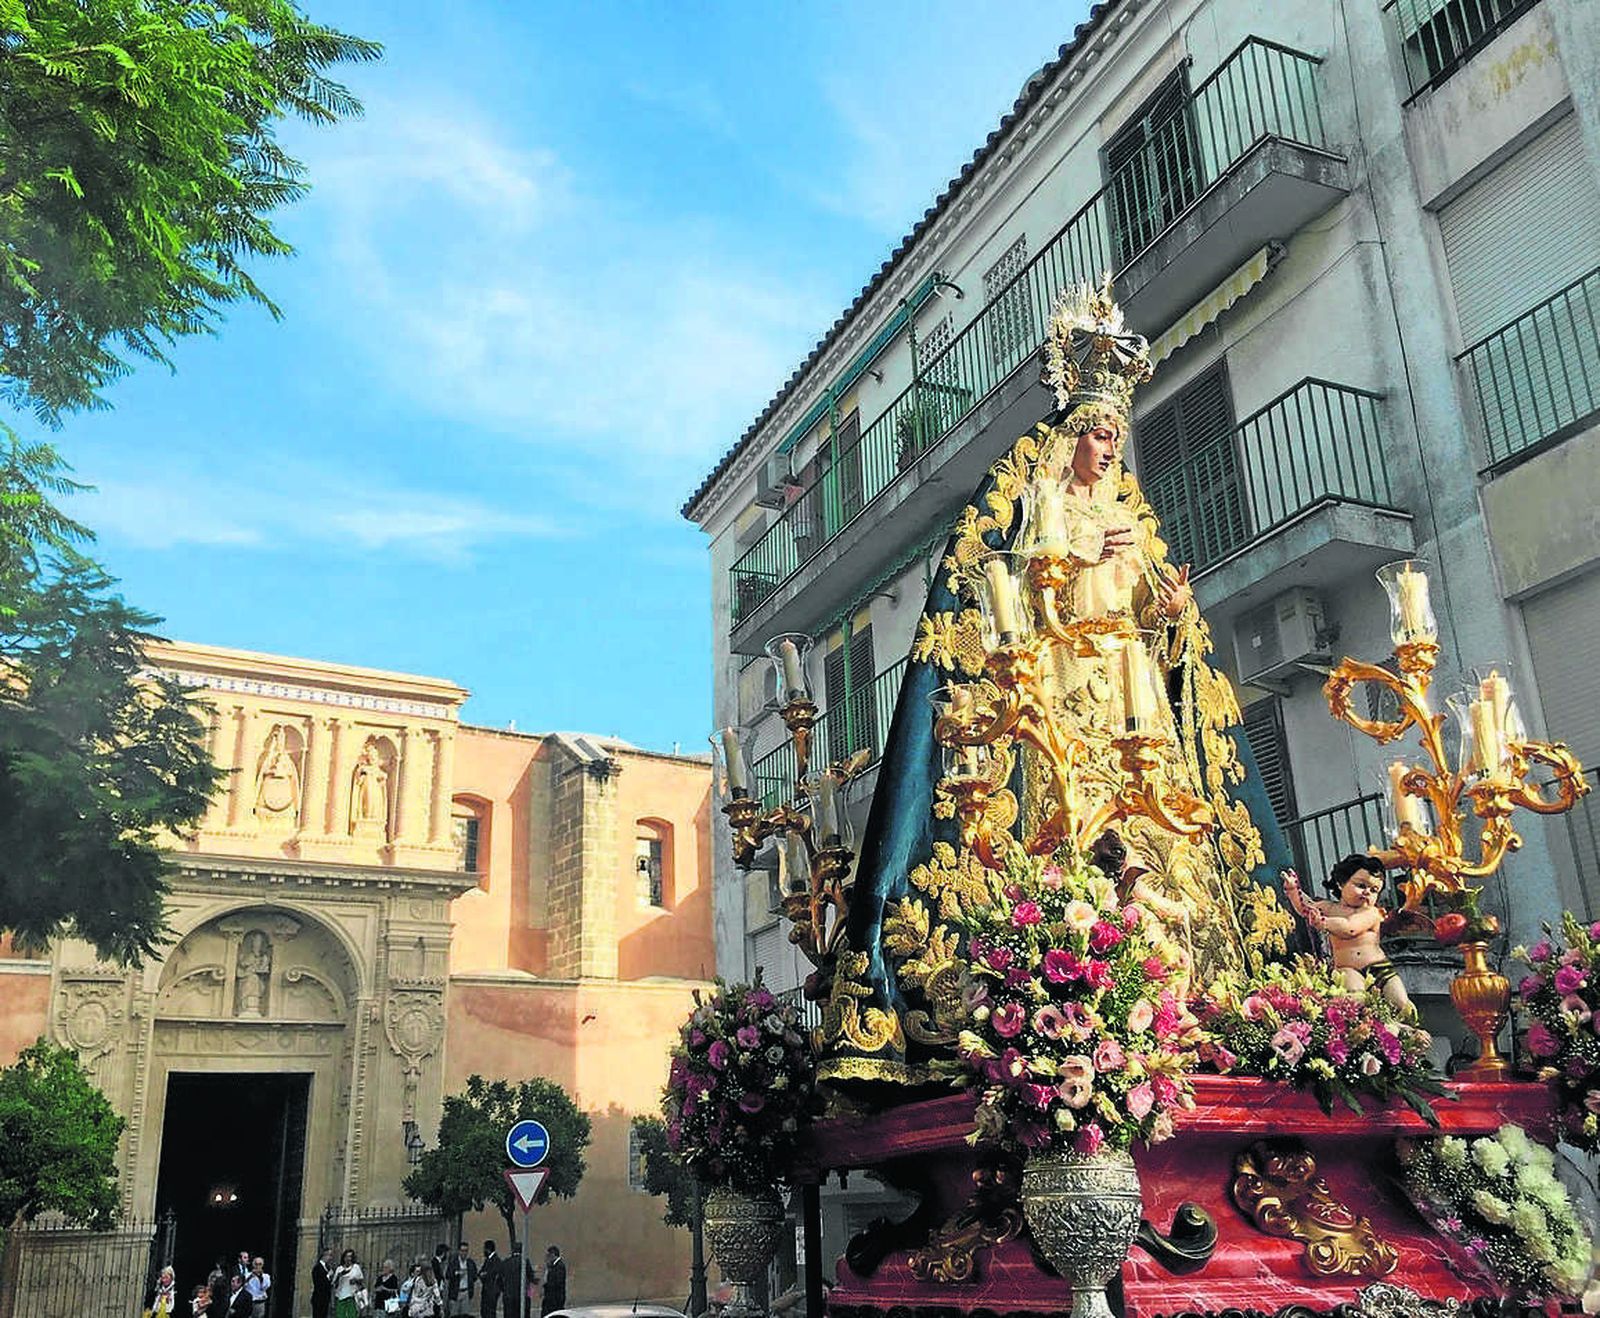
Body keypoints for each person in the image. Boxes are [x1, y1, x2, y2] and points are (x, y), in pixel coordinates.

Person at [1285, 855, 1416, 1018]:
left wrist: (1323, 922)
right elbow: (1306, 908)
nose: (1367, 892)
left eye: (1374, 890)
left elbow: (1350, 928)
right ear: (1341, 883)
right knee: (1355, 1000)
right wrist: (1293, 890)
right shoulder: (1329, 908)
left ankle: (1404, 1029)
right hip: (1347, 968)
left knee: (1401, 1004)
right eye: (1361, 885)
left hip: (1379, 967)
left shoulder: (1372, 912)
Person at [445, 1242, 478, 1317]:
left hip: (466, 1292)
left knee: (465, 1315)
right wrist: (456, 1274)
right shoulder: (453, 1262)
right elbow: (447, 1275)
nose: (464, 1253)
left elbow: (475, 1276)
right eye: (462, 1251)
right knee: (454, 1315)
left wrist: (471, 1276)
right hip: (455, 1292)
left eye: (466, 1251)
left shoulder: (470, 1263)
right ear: (459, 1251)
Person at [332, 1249, 366, 1318]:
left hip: (352, 1295)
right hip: (341, 1296)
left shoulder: (356, 1267)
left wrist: (355, 1280)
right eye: (346, 1257)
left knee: (352, 1315)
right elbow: (334, 1283)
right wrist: (339, 1276)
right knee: (340, 1315)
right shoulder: (339, 1268)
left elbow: (361, 1281)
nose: (348, 1259)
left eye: (350, 1257)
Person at [478, 1242, 504, 1318]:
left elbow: (493, 1273)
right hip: (486, 1291)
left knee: (490, 1313)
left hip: (492, 1291)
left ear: (488, 1249)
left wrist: (484, 1274)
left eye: (484, 1249)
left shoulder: (496, 1260)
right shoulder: (488, 1260)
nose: (483, 1251)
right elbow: (481, 1271)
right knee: (484, 1311)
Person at [539, 1247, 566, 1317]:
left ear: (553, 1255)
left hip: (555, 1298)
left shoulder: (559, 1266)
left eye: (548, 1255)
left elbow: (557, 1282)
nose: (546, 1258)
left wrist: (545, 1285)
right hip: (550, 1298)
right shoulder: (552, 1266)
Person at [311, 1249, 336, 1318]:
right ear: (324, 1255)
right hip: (318, 1298)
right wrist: (328, 1276)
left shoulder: (327, 1267)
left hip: (325, 1298)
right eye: (329, 1255)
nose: (331, 1258)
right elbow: (318, 1283)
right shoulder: (317, 1268)